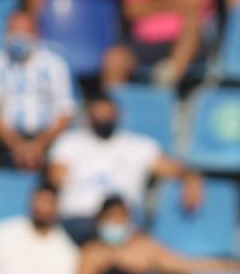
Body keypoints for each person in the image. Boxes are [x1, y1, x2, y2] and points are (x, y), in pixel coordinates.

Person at [49, 94, 202, 244]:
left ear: (119, 115)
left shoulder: (139, 146)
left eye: (108, 114)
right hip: (80, 219)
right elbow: (55, 180)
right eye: (98, 114)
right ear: (89, 116)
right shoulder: (69, 143)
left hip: (124, 221)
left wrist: (192, 178)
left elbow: (175, 169)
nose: (103, 119)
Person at [77, 196, 240, 274]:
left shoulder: (145, 247)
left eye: (121, 217)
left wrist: (231, 267)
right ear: (100, 220)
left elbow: (186, 265)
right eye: (111, 218)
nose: (116, 223)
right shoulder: (91, 252)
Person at [0, 9, 76, 181]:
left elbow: (66, 113)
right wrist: (16, 144)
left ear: (36, 34)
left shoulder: (56, 64)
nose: (18, 38)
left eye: (24, 32)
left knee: (69, 148)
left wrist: (40, 144)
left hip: (47, 136)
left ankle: (55, 201)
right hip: (6, 136)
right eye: (13, 32)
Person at [103, 0, 217, 89]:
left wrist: (155, 1)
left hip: (186, 41)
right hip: (145, 41)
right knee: (116, 59)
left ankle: (165, 85)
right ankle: (110, 103)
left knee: (192, 22)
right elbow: (132, 8)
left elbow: (201, 0)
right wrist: (179, 2)